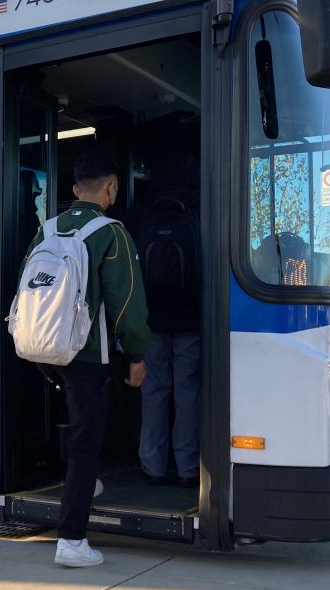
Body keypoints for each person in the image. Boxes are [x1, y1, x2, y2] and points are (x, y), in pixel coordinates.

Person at [23, 148, 151, 568]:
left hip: (44, 348)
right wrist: (137, 354)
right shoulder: (110, 233)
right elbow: (127, 303)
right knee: (87, 437)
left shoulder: (47, 230)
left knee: (80, 424)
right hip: (85, 353)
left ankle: (85, 485)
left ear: (76, 189)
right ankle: (72, 540)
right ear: (111, 188)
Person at [130, 151, 202, 489]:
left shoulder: (145, 206)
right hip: (190, 317)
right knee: (187, 392)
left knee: (153, 390)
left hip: (152, 319)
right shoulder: (200, 202)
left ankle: (151, 466)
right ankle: (188, 467)